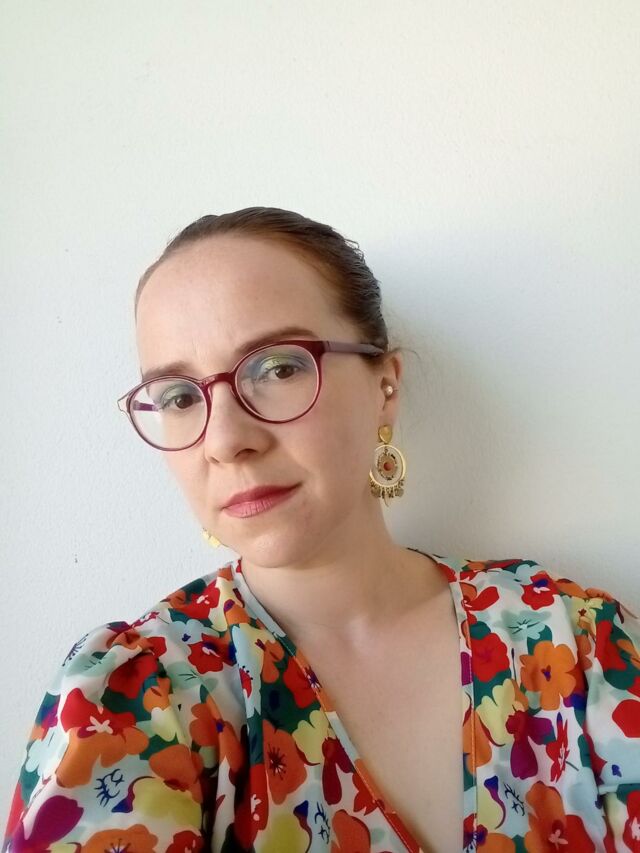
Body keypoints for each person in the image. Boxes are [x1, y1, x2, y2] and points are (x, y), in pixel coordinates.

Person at [3, 207, 639, 853]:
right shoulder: (139, 699)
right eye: (179, 397)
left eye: (277, 367)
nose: (224, 440)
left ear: (385, 384)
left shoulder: (576, 645)